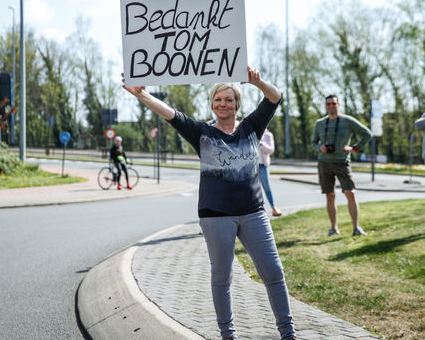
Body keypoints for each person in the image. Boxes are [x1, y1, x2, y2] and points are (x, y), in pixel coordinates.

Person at [123, 67, 296, 340]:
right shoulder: (202, 132)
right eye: (218, 99)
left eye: (228, 99)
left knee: (274, 272)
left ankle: (288, 334)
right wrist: (141, 94)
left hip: (253, 213)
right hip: (216, 215)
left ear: (237, 104)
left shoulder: (251, 127)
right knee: (222, 277)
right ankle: (228, 335)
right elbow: (171, 114)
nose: (223, 104)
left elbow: (275, 97)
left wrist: (258, 81)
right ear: (212, 104)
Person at [311, 94, 372, 237]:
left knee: (350, 193)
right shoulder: (319, 123)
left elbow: (367, 134)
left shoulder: (347, 121)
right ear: (325, 106)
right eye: (328, 104)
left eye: (333, 103)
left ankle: (356, 228)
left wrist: (354, 148)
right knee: (330, 195)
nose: (331, 106)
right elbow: (313, 142)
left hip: (342, 162)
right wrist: (320, 148)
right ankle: (334, 229)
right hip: (324, 163)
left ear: (338, 105)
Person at [259, 129, 282, 217]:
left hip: (262, 166)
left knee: (267, 187)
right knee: (252, 189)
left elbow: (271, 150)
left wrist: (261, 144)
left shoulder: (268, 135)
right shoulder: (250, 133)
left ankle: (273, 208)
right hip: (250, 166)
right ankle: (256, 211)